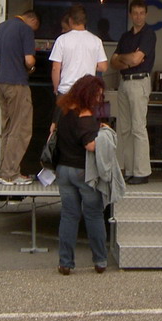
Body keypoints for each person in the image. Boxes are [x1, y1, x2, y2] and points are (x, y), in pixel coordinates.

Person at [53, 74, 109, 275]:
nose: (98, 99)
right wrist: (105, 134)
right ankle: (100, 260)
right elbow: (90, 145)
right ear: (88, 94)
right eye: (97, 95)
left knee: (69, 215)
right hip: (82, 171)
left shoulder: (63, 109)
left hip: (63, 170)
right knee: (93, 215)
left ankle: (65, 262)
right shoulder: (85, 115)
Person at [0, 9, 40, 186]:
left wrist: (6, 60)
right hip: (17, 83)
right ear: (33, 20)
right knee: (21, 128)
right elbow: (29, 60)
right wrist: (30, 67)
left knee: (8, 128)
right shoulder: (26, 29)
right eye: (36, 27)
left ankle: (5, 170)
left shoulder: (1, 27)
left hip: (0, 81)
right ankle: (10, 174)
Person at [111, 0, 157, 184]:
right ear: (130, 15)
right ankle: (130, 169)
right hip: (124, 82)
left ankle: (142, 172)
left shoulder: (149, 34)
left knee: (138, 127)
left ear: (146, 14)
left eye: (141, 13)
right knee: (125, 129)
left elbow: (136, 60)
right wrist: (127, 59)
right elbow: (113, 62)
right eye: (135, 13)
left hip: (139, 81)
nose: (138, 17)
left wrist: (125, 59)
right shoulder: (125, 36)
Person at [49, 4, 108, 110]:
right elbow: (103, 67)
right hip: (87, 91)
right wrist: (89, 62)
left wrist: (56, 88)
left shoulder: (62, 40)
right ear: (85, 21)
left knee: (64, 119)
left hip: (67, 90)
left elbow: (55, 68)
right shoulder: (96, 40)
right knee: (85, 119)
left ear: (70, 20)